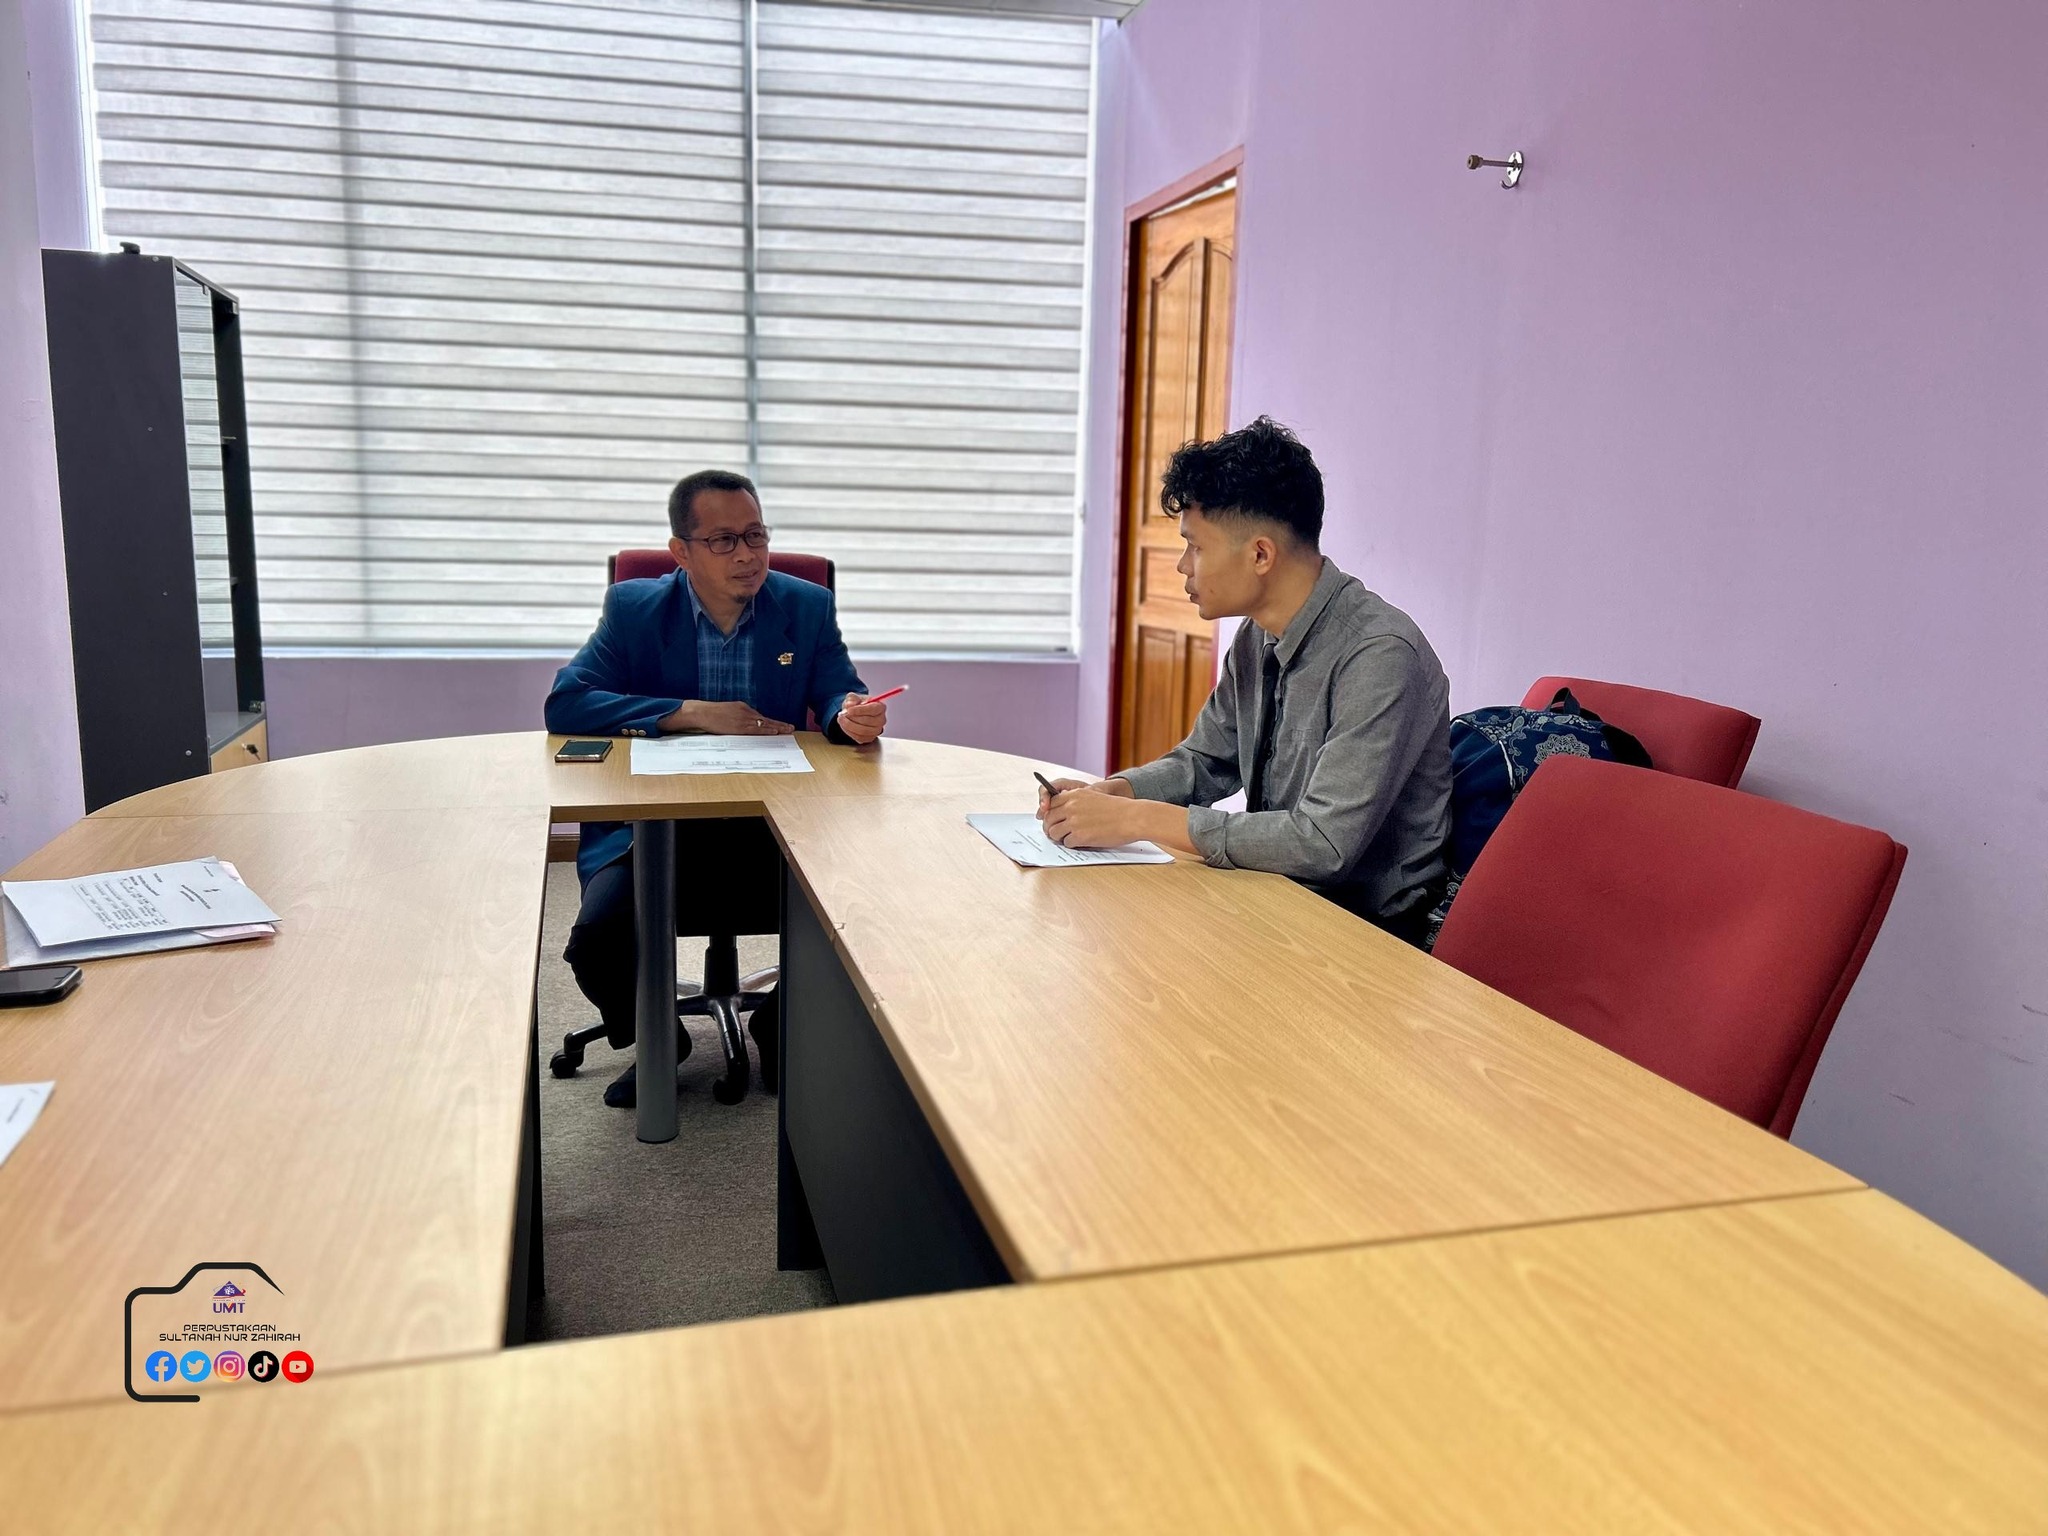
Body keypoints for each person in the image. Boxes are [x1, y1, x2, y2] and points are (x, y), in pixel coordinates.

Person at [545, 469, 890, 1106]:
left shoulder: (805, 606)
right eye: (724, 540)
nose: (747, 555)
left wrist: (848, 716)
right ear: (681, 552)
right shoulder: (634, 609)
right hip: (656, 827)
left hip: (773, 823)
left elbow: (837, 691)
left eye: (756, 535)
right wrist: (690, 712)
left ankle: (778, 1026)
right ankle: (658, 1036)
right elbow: (567, 702)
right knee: (596, 939)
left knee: (861, 910)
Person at [1039, 417, 1451, 944]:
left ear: (1260, 554)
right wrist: (1114, 792)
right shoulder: (1257, 636)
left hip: (1368, 935)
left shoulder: (1380, 654)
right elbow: (1206, 760)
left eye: (1196, 546)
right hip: (1280, 903)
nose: (1182, 566)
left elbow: (1323, 844)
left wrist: (1136, 819)